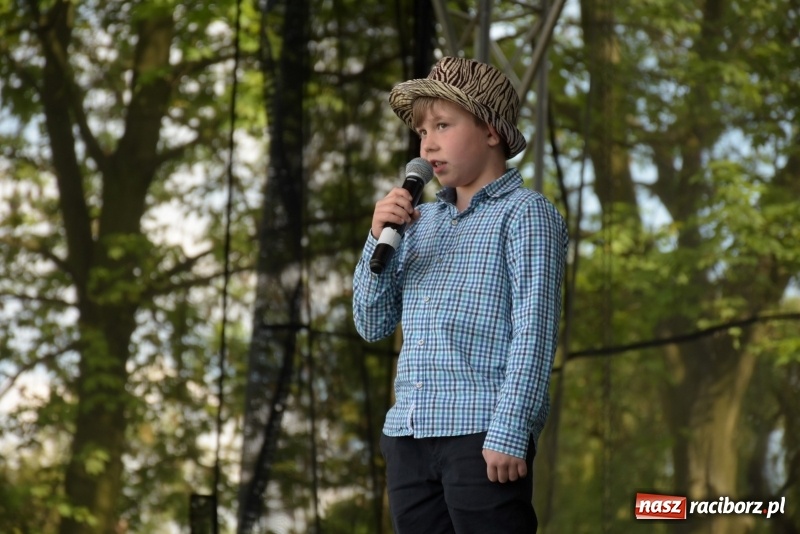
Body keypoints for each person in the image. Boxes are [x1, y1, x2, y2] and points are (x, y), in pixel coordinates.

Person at [352, 56, 568, 534]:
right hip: (408, 435)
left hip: (482, 435)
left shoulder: (526, 214)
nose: (427, 142)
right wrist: (378, 235)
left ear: (491, 131)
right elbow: (371, 324)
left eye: (443, 125)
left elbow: (534, 330)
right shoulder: (419, 221)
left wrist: (512, 428)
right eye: (422, 131)